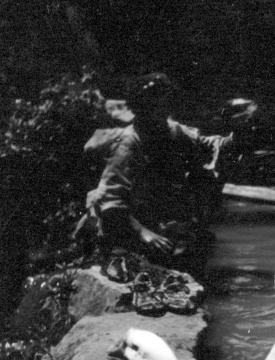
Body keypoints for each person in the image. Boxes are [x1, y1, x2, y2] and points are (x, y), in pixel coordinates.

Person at [78, 73, 253, 261]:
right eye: (156, 104)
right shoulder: (129, 144)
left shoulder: (172, 130)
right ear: (142, 109)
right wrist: (144, 233)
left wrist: (235, 138)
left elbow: (206, 145)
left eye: (164, 103)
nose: (163, 109)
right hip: (127, 222)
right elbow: (110, 201)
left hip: (155, 215)